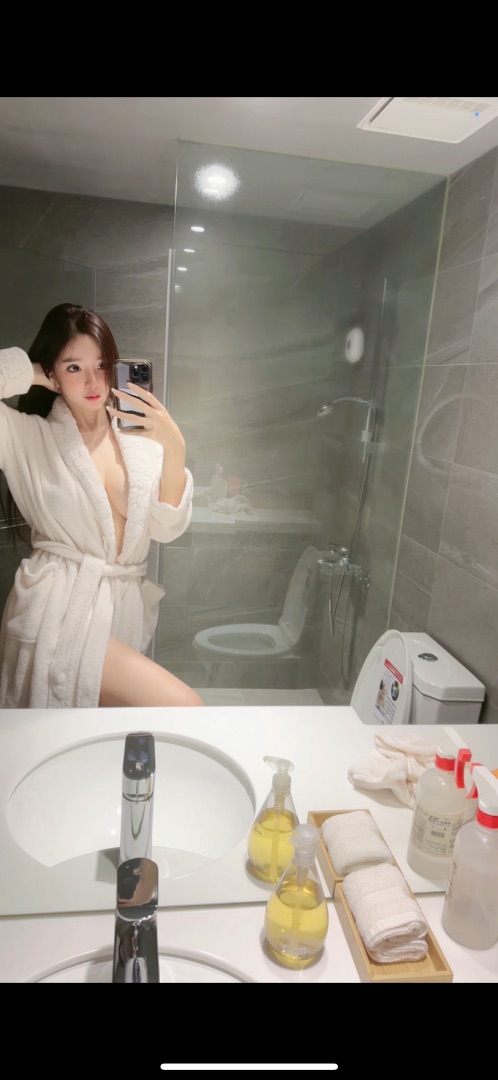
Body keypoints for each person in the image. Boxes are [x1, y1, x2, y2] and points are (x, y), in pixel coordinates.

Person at [0, 302, 203, 709]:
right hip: (58, 611)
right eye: (74, 367)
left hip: (120, 610)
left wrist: (174, 444)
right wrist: (34, 373)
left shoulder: (140, 441)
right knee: (184, 707)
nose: (93, 381)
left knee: (99, 739)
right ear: (54, 373)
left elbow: (167, 528)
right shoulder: (27, 436)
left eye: (102, 365)